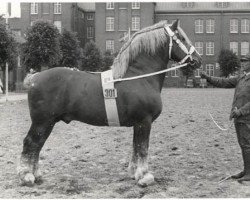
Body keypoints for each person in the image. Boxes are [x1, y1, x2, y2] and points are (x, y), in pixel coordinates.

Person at [201, 53, 250, 183]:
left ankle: (249, 173)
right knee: (243, 144)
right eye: (242, 61)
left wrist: (240, 112)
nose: (242, 63)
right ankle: (246, 171)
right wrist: (208, 78)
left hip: (246, 117)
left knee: (247, 144)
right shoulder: (241, 77)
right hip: (238, 117)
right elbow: (224, 82)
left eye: (245, 61)